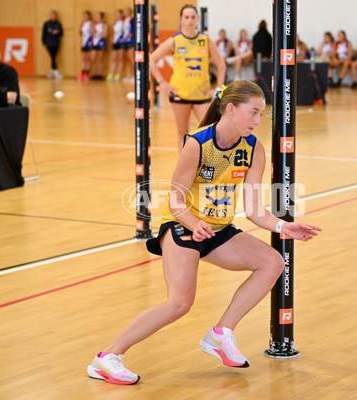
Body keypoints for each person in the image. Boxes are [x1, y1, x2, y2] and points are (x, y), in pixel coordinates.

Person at [86, 80, 322, 385]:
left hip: (219, 231)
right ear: (231, 109)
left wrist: (282, 226)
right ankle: (107, 358)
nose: (257, 121)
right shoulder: (197, 144)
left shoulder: (254, 149)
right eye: (253, 113)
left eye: (260, 115)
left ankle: (221, 333)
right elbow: (175, 200)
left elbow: (254, 211)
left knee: (273, 262)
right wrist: (193, 223)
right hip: (185, 230)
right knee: (180, 304)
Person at [149, 4, 225, 151]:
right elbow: (152, 59)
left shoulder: (206, 40)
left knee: (210, 131)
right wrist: (162, 83)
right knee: (182, 133)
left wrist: (218, 89)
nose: (190, 20)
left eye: (193, 17)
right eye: (186, 17)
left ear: (198, 18)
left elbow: (221, 65)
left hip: (201, 94)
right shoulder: (174, 41)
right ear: (181, 20)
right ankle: (185, 169)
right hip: (180, 93)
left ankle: (206, 166)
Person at [42, 10, 63, 79]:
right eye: (51, 15)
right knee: (52, 57)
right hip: (49, 43)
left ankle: (52, 71)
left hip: (56, 43)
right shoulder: (47, 23)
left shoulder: (58, 24)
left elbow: (61, 33)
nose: (53, 16)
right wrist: (43, 42)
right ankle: (55, 71)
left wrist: (57, 32)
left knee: (53, 57)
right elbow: (44, 33)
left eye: (54, 15)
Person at [107, 9, 125, 82]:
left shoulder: (124, 22)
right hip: (115, 42)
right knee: (114, 58)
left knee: (120, 58)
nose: (117, 16)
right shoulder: (115, 22)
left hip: (121, 42)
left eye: (118, 14)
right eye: (116, 14)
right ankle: (111, 74)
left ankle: (118, 74)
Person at [90, 11, 108, 79]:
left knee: (101, 59)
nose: (96, 18)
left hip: (101, 42)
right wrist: (93, 30)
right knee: (93, 58)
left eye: (98, 16)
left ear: (101, 17)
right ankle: (95, 74)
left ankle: (101, 74)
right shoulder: (94, 25)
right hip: (94, 42)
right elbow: (92, 34)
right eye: (96, 16)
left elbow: (105, 35)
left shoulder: (104, 25)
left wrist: (98, 33)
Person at [78, 10, 93, 81]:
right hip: (84, 42)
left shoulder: (91, 23)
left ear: (89, 16)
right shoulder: (82, 23)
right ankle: (82, 72)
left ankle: (87, 72)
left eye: (86, 15)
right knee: (83, 58)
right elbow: (80, 33)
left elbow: (93, 33)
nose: (85, 17)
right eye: (84, 15)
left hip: (89, 42)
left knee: (88, 58)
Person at [121, 7, 135, 81]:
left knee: (131, 58)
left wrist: (132, 34)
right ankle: (131, 74)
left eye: (126, 10)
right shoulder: (124, 20)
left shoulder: (132, 19)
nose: (125, 12)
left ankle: (135, 75)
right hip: (125, 41)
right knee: (128, 59)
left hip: (131, 41)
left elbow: (136, 28)